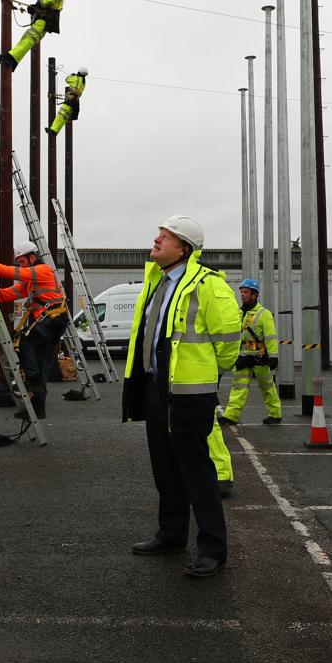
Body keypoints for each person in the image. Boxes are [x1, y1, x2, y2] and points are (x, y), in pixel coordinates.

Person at [122, 215, 241, 577]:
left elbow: (228, 342)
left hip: (190, 394)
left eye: (166, 236)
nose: (156, 240)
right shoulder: (156, 280)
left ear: (184, 248)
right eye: (159, 234)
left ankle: (213, 550)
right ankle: (171, 534)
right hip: (157, 389)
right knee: (165, 469)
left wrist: (203, 374)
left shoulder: (208, 285)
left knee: (198, 472)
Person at [0, 241, 68, 420]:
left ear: (32, 257)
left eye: (23, 261)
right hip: (51, 320)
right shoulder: (32, 279)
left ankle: (34, 382)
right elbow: (14, 292)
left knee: (23, 341)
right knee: (40, 360)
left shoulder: (42, 270)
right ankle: (38, 406)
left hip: (52, 319)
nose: (20, 265)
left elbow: (15, 273)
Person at [217, 279, 282, 426]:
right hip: (244, 356)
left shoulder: (264, 314)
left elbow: (271, 337)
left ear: (255, 295)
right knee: (238, 386)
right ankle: (231, 416)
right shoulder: (239, 313)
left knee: (267, 386)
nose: (242, 295)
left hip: (260, 356)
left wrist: (273, 357)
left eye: (246, 292)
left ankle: (275, 414)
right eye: (241, 292)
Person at [0, 0, 68, 72]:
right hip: (44, 18)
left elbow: (48, 1)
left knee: (29, 39)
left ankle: (11, 59)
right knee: (27, 38)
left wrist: (38, 5)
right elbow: (45, 2)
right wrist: (35, 8)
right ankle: (12, 60)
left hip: (46, 19)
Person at [46, 67, 87, 136]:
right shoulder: (83, 82)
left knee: (61, 115)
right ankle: (55, 131)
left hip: (70, 100)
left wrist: (72, 75)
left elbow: (67, 79)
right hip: (75, 101)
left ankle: (53, 130)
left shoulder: (76, 79)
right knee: (64, 117)